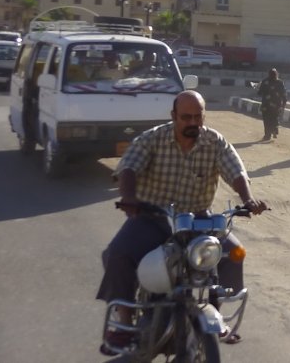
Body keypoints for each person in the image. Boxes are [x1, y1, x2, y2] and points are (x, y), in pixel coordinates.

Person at [96, 91, 267, 353]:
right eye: (186, 117)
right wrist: (129, 197)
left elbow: (236, 171)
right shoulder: (153, 139)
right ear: (174, 116)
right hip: (153, 216)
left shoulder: (214, 141)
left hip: (198, 219)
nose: (192, 123)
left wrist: (248, 199)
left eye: (198, 117)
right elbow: (128, 167)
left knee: (234, 252)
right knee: (119, 253)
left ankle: (214, 312)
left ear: (204, 116)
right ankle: (124, 324)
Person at [256, 68, 287, 141]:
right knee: (275, 117)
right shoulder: (280, 82)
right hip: (276, 104)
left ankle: (267, 135)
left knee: (266, 120)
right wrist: (284, 103)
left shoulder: (265, 81)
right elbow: (284, 94)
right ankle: (274, 130)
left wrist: (258, 88)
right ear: (277, 74)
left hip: (266, 104)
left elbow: (259, 93)